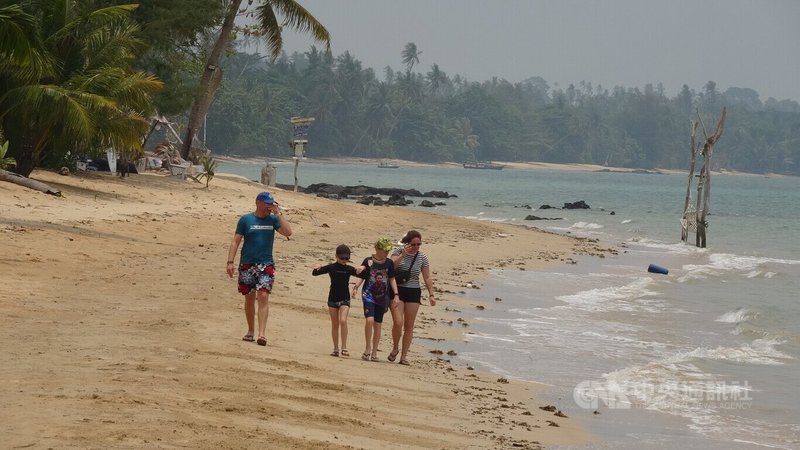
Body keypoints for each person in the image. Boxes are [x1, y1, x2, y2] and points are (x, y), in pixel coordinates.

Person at [226, 191, 292, 347]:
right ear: (258, 203)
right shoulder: (246, 220)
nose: (270, 206)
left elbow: (288, 232)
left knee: (263, 296)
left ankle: (262, 334)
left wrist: (279, 213)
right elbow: (236, 241)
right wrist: (230, 261)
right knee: (249, 297)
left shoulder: (274, 220)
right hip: (247, 263)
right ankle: (250, 331)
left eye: (271, 203)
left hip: (266, 264)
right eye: (267, 203)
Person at [388, 230, 435, 365]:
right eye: (413, 244)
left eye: (418, 244)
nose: (416, 247)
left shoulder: (422, 257)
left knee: (409, 326)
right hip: (397, 290)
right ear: (407, 243)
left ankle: (403, 357)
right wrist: (403, 254)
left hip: (414, 291)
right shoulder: (398, 252)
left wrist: (431, 294)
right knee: (398, 322)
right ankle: (395, 347)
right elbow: (391, 267)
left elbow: (427, 276)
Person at [351, 238, 399, 362]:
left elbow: (392, 279)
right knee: (369, 320)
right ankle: (367, 348)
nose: (387, 253)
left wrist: (396, 294)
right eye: (384, 250)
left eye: (388, 250)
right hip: (368, 295)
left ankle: (374, 352)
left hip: (383, 297)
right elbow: (362, 276)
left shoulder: (389, 263)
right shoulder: (368, 261)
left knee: (378, 324)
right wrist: (356, 287)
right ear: (378, 249)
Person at [312, 244, 362, 357]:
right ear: (336, 256)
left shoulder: (349, 269)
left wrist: (361, 269)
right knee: (335, 324)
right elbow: (315, 273)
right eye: (342, 258)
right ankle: (335, 349)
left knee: (343, 321)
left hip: (345, 298)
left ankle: (344, 347)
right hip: (333, 298)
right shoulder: (331, 267)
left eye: (346, 258)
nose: (344, 260)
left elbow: (365, 275)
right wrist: (317, 267)